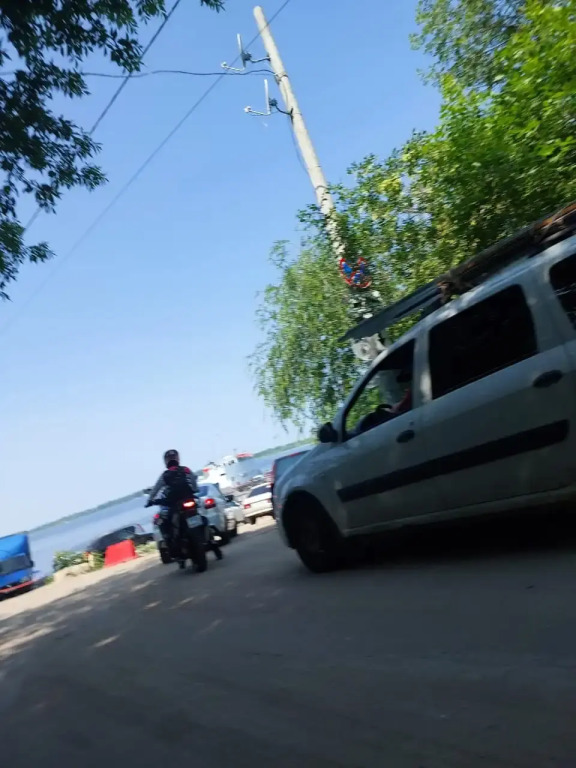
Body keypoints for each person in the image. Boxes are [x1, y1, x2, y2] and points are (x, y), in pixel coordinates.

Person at [146, 450, 222, 561]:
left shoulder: (165, 475)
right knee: (201, 518)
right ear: (177, 459)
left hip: (176, 505)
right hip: (189, 500)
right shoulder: (185, 470)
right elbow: (194, 482)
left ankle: (175, 548)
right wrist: (195, 490)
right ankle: (212, 542)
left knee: (168, 524)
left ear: (166, 461)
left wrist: (150, 500)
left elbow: (155, 490)